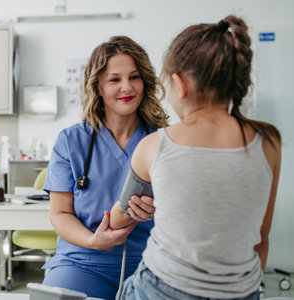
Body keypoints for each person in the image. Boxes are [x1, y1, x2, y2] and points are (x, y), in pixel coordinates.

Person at [111, 15, 281, 300]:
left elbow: (120, 217)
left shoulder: (154, 146)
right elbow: (261, 238)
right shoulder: (268, 142)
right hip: (241, 291)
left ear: (180, 85)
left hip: (160, 289)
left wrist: (120, 215)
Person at [42, 36, 169, 300]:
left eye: (134, 77)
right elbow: (60, 214)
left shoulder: (163, 140)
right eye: (115, 80)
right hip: (81, 262)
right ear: (98, 86)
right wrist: (92, 241)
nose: (127, 87)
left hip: (149, 266)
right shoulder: (71, 141)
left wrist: (161, 208)